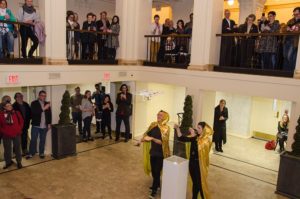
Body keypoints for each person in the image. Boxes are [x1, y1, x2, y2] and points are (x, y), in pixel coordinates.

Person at [175, 122, 213, 199]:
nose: (197, 129)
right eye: (197, 127)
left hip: (199, 165)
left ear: (204, 130)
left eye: (199, 128)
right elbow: (181, 137)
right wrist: (177, 128)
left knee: (200, 184)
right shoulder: (196, 137)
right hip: (192, 163)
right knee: (195, 183)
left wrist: (193, 135)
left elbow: (201, 151)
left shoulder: (206, 140)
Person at [139, 110, 170, 199]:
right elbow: (147, 135)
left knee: (156, 172)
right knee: (154, 171)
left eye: (160, 115)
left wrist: (152, 139)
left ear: (164, 117)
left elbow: (162, 142)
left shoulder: (166, 128)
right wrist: (140, 141)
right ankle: (157, 185)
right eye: (158, 114)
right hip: (153, 152)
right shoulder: (153, 125)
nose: (158, 116)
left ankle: (154, 191)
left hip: (161, 153)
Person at [27, 90, 51, 159]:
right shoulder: (34, 103)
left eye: (45, 96)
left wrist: (49, 123)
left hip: (44, 126)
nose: (43, 97)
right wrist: (44, 108)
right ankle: (31, 153)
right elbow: (35, 113)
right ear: (39, 96)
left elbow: (49, 114)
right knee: (33, 140)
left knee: (42, 140)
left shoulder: (47, 103)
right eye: (42, 95)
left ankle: (41, 153)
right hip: (36, 125)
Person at [0, 102, 24, 169]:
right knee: (7, 149)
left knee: (17, 148)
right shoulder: (1, 114)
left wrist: (19, 129)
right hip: (6, 134)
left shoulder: (16, 113)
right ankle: (8, 162)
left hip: (17, 134)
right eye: (7, 106)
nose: (10, 106)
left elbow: (21, 121)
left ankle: (19, 162)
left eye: (10, 105)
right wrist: (3, 131)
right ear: (4, 107)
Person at [283, 7, 300, 71]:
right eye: (294, 14)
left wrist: (294, 30)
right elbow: (283, 29)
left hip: (294, 41)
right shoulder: (290, 20)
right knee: (285, 57)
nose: (295, 16)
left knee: (290, 57)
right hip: (286, 40)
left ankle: (289, 73)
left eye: (297, 14)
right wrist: (286, 29)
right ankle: (285, 72)